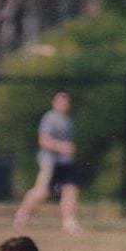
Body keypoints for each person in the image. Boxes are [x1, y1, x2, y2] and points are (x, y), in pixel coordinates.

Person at [13, 91, 81, 234]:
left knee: (70, 189)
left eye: (65, 102)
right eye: (60, 101)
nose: (63, 104)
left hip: (65, 162)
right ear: (54, 103)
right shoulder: (50, 118)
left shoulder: (68, 120)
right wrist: (61, 147)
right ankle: (22, 215)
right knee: (42, 191)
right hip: (49, 162)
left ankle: (69, 222)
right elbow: (43, 141)